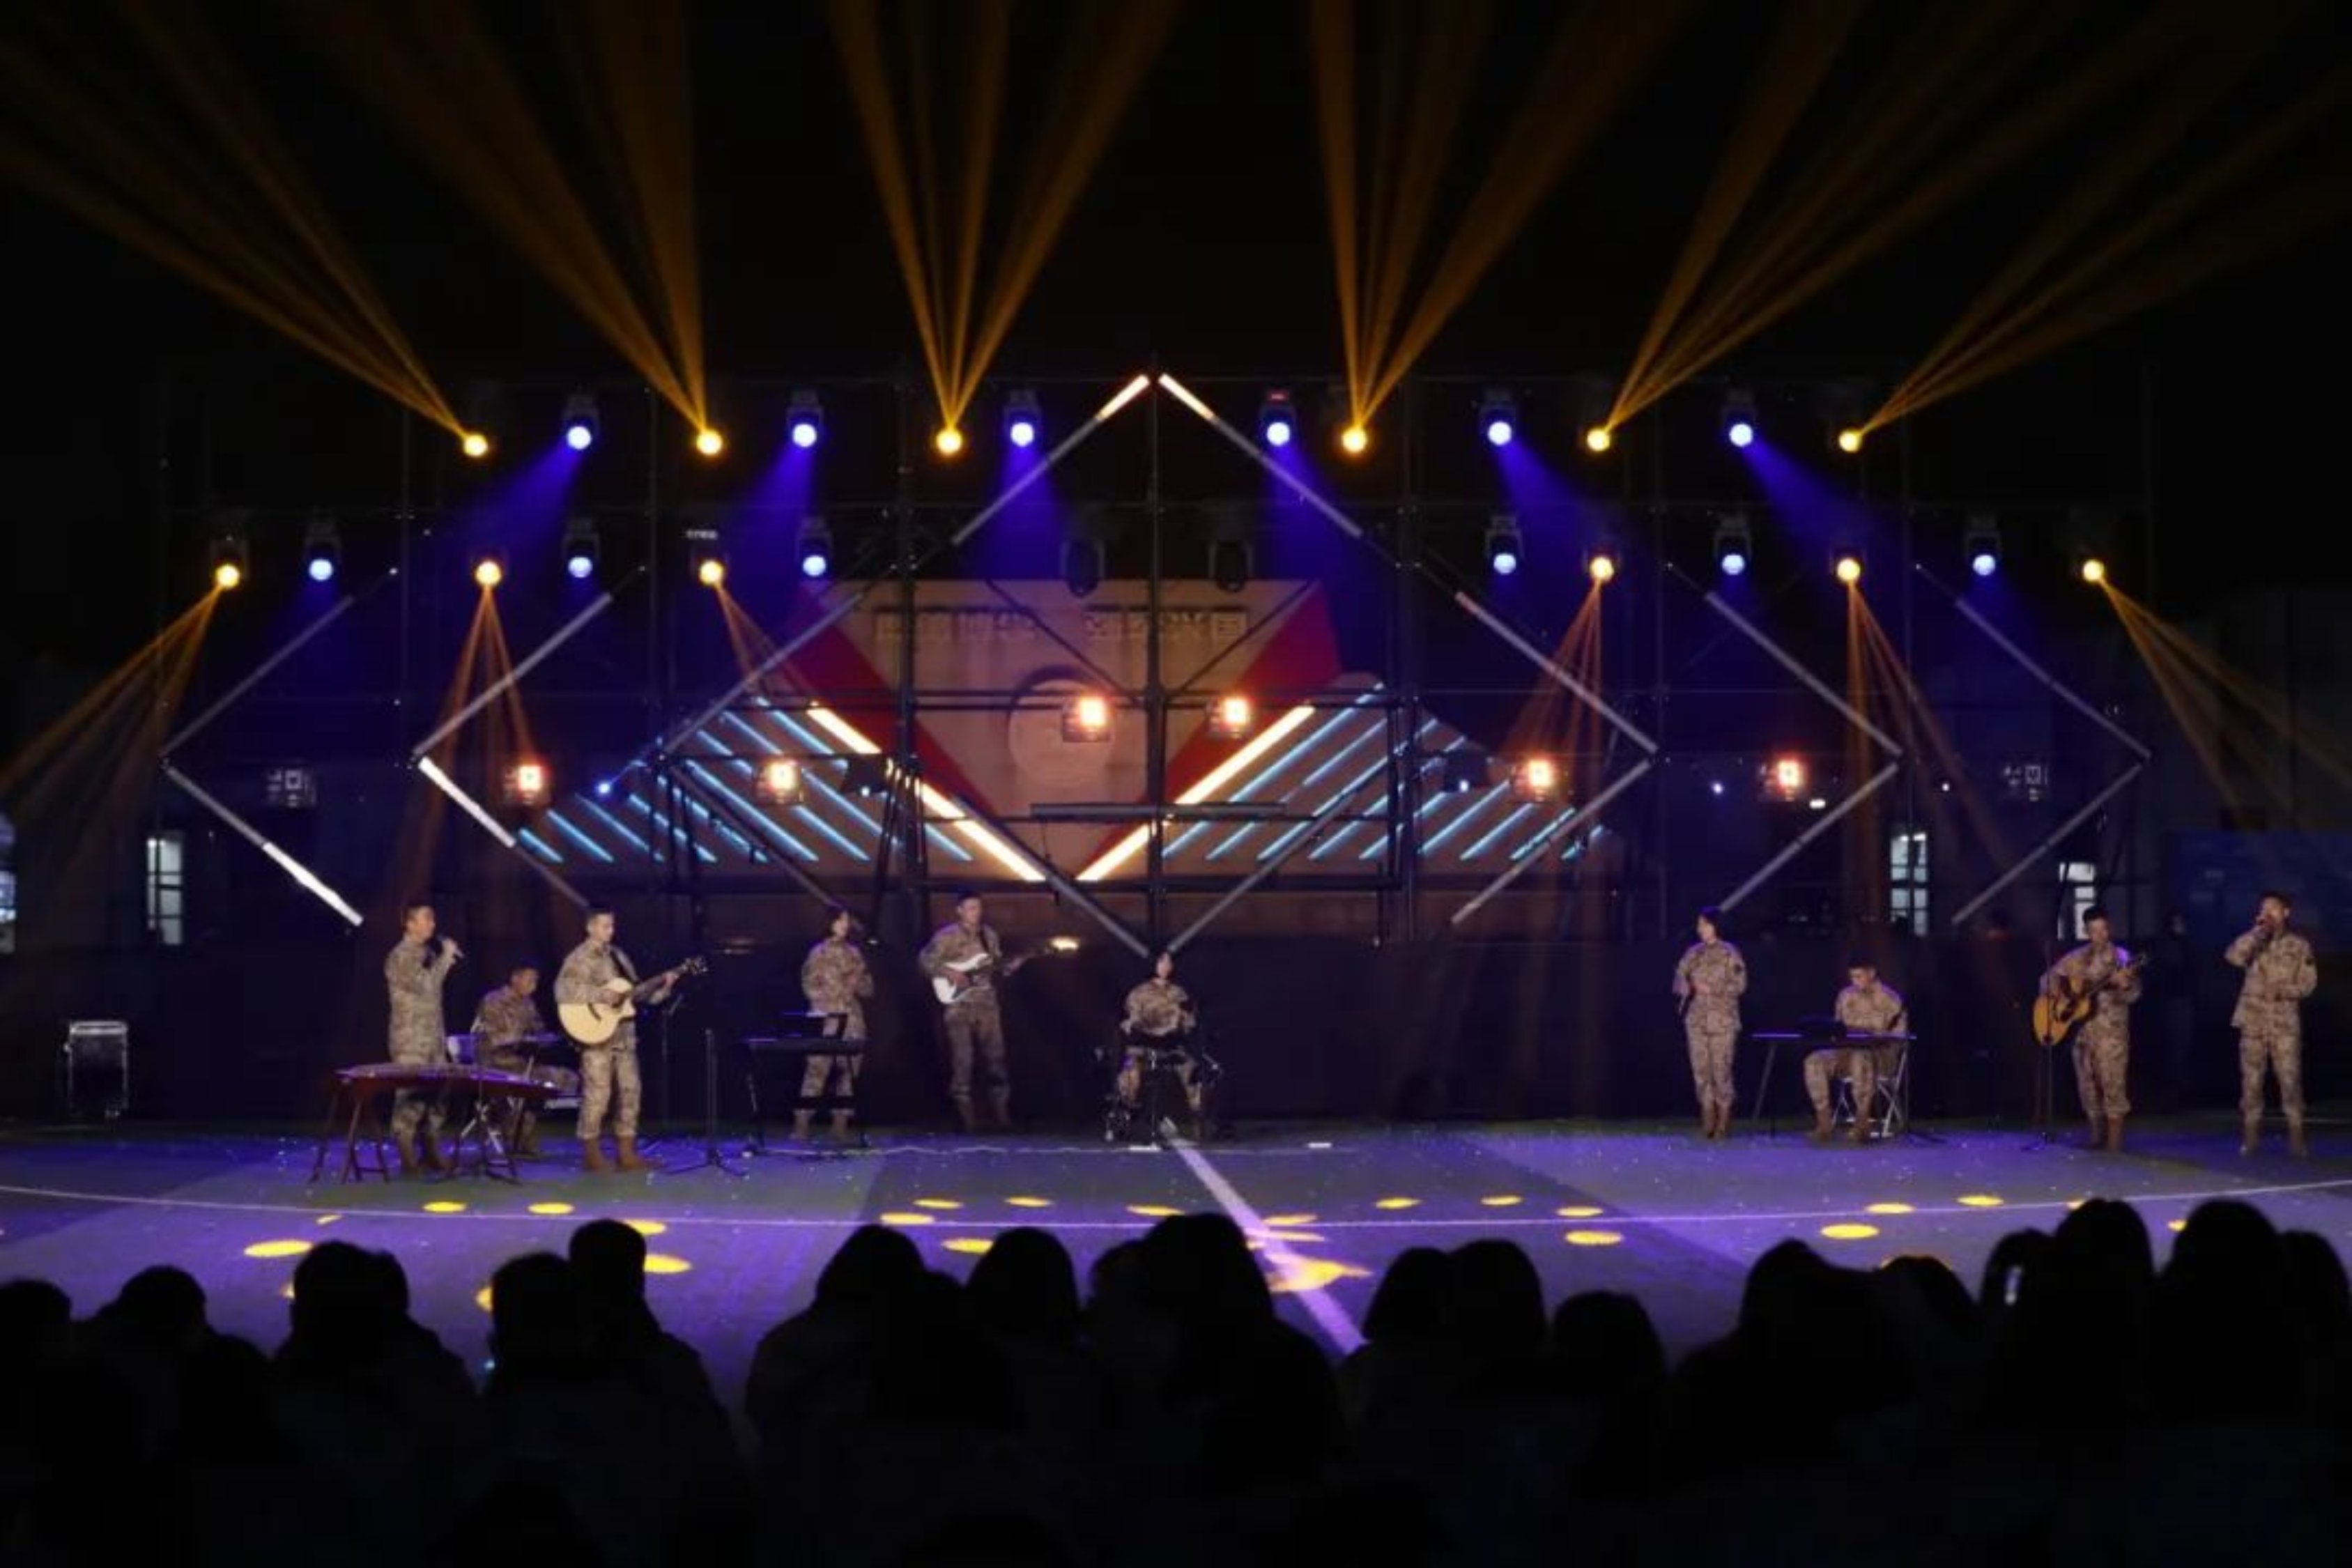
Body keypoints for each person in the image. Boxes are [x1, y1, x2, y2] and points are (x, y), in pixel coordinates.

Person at [556, 906, 673, 1173]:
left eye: (612, 925)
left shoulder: (618, 956)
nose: (611, 930)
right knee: (598, 1095)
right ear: (591, 927)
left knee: (631, 1092)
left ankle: (627, 1153)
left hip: (624, 1038)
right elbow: (563, 991)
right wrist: (601, 995)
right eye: (605, 925)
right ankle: (592, 1154)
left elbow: (634, 994)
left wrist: (662, 988)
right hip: (597, 1037)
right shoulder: (579, 957)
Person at [2041, 907, 2144, 1152]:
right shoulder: (2076, 958)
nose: (2100, 935)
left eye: (2103, 929)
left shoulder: (2122, 958)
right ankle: (2096, 1136)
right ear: (2086, 931)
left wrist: (2124, 985)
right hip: (2081, 1034)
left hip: (2111, 1034)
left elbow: (2134, 995)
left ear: (2109, 928)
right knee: (2087, 1087)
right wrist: (2062, 994)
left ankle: (2114, 1142)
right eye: (2094, 930)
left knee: (2112, 1084)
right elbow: (2046, 979)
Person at [2227, 891, 2319, 1156]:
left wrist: (2282, 991)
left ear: (2286, 913)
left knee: (2290, 1081)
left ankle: (2297, 1140)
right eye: (2263, 909)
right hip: (2253, 1021)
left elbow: (2308, 983)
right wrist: (2256, 933)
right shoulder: (2254, 941)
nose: (2268, 914)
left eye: (2274, 909)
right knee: (2251, 1082)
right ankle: (2250, 1140)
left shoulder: (2299, 945)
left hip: (2284, 1023)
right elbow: (2233, 957)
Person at [919, 890, 1013, 1132]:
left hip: (987, 1004)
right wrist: (950, 972)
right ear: (959, 911)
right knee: (963, 1060)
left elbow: (995, 964)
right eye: (970, 908)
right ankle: (966, 1118)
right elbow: (925, 961)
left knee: (996, 1058)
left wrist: (1007, 968)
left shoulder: (989, 935)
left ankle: (1001, 1115)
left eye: (978, 908)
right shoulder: (947, 936)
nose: (975, 913)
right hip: (959, 1006)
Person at [470, 963, 578, 1158]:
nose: (534, 985)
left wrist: (550, 1039)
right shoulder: (493, 1001)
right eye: (530, 980)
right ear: (515, 978)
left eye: (536, 981)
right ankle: (513, 1134)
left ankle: (521, 1133)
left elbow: (538, 1031)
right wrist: (524, 1039)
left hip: (522, 1064)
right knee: (532, 1083)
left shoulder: (528, 1004)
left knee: (565, 1078)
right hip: (496, 1064)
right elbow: (494, 1038)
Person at [383, 900, 459, 1175]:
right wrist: (446, 958)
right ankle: (407, 1155)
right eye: (426, 918)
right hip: (410, 1038)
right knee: (411, 1093)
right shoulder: (401, 955)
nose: (432, 924)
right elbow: (426, 985)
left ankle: (431, 1149)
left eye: (433, 919)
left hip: (433, 1037)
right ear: (409, 923)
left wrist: (441, 959)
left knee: (439, 1093)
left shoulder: (426, 953)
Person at [1113, 951, 1212, 1139]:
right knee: (1129, 1070)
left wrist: (1183, 1019)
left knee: (1194, 1073)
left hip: (1171, 1047)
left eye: (1169, 963)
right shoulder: (1139, 993)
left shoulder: (1179, 993)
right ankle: (1124, 1117)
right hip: (1142, 1046)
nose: (1166, 966)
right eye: (1162, 962)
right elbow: (1131, 1021)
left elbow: (1189, 1023)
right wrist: (1146, 1025)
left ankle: (1198, 1120)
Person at [796, 905, 874, 1143]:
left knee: (848, 1073)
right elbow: (809, 986)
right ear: (830, 922)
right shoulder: (818, 953)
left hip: (852, 1021)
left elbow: (869, 990)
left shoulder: (854, 954)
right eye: (841, 920)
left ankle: (840, 1124)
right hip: (826, 1020)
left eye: (847, 921)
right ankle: (802, 1123)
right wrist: (830, 999)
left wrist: (859, 981)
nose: (845, 925)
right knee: (816, 1071)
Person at [1806, 959, 1906, 1143]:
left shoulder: (1890, 999)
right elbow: (1838, 1028)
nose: (1855, 981)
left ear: (1872, 973)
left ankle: (1862, 1121)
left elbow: (1898, 1037)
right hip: (1846, 1053)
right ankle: (1824, 1121)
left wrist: (1870, 1033)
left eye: (1859, 976)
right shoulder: (1845, 996)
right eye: (1852, 977)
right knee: (1814, 1060)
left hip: (1879, 1057)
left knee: (1861, 1056)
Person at [1670, 907, 1746, 1139]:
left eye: (1703, 924)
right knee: (1701, 1072)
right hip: (1697, 1022)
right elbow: (1678, 980)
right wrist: (1687, 986)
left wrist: (1712, 989)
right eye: (1699, 925)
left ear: (1715, 926)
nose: (1700, 929)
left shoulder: (1730, 953)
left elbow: (1740, 985)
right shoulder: (1693, 953)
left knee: (1721, 1071)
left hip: (1722, 1022)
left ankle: (1724, 1119)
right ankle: (1708, 1116)